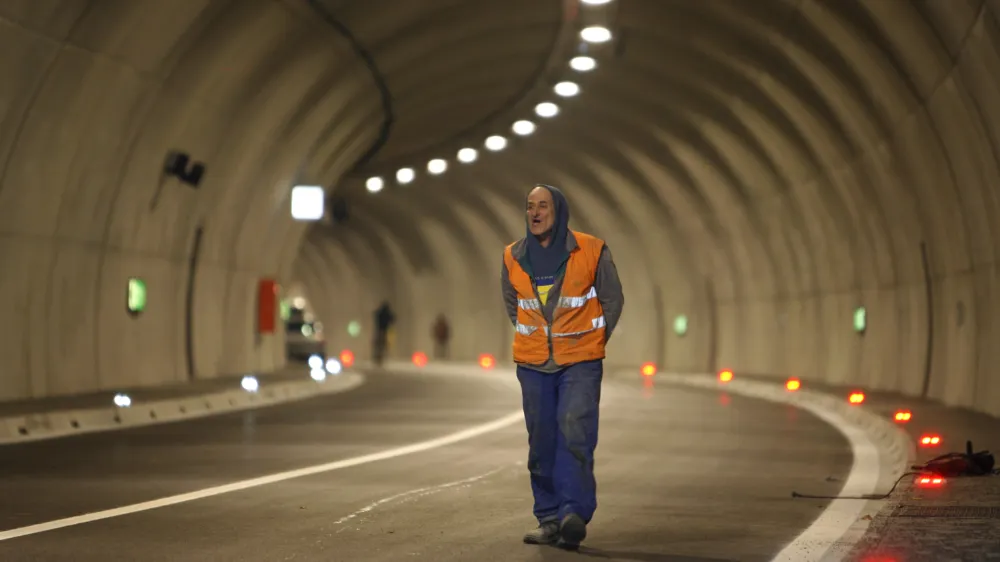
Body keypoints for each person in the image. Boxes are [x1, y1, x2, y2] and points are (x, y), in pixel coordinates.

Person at [500, 184, 624, 550]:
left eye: (544, 206)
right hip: (533, 363)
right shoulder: (512, 256)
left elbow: (612, 299)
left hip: (580, 362)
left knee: (574, 431)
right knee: (541, 441)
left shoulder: (591, 250)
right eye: (530, 207)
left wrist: (592, 341)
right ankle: (549, 518)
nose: (535, 213)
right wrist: (539, 338)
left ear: (560, 212)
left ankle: (574, 514)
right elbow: (513, 303)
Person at [372, 301, 395, 366]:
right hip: (384, 330)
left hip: (380, 330)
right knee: (383, 344)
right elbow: (393, 319)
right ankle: (381, 356)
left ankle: (378, 357)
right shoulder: (387, 313)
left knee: (379, 344)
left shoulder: (379, 313)